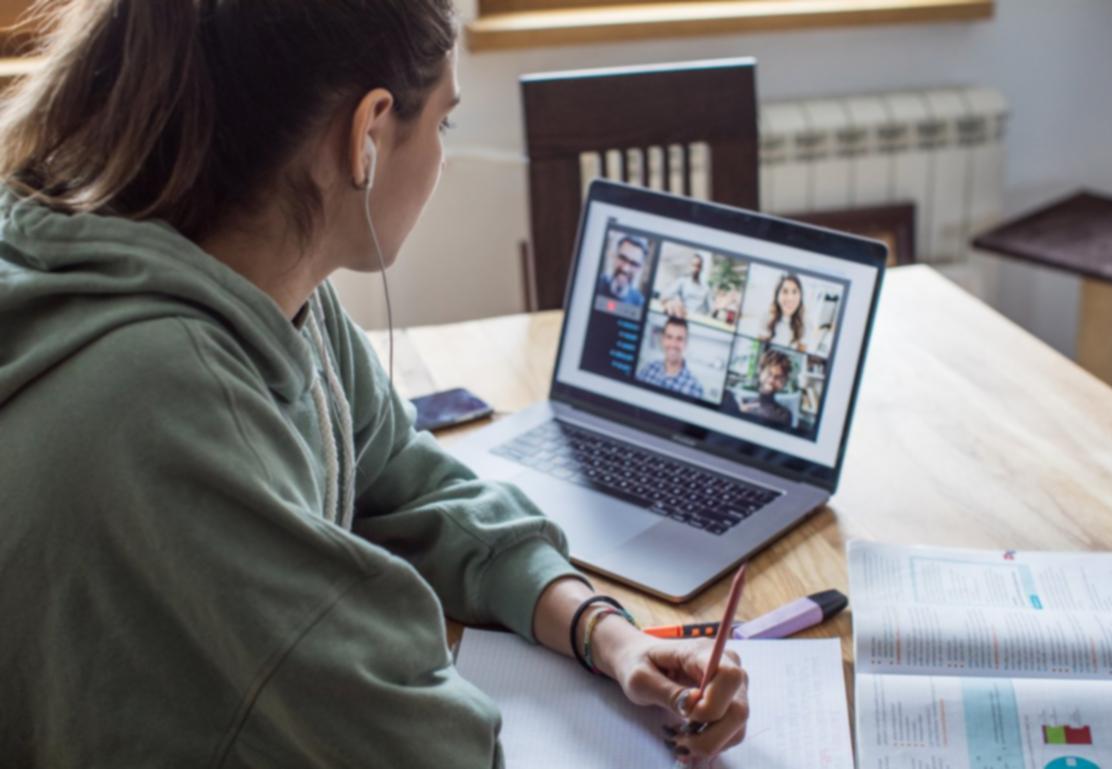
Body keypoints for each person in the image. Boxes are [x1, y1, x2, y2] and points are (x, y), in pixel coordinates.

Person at [0, 2, 749, 767]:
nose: (442, 156)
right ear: (367, 134)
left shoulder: (259, 281)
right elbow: (426, 746)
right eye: (443, 125)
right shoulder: (168, 405)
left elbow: (399, 477)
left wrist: (603, 631)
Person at [722, 349, 797, 427]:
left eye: (778, 377)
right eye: (769, 373)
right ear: (760, 372)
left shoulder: (784, 415)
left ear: (784, 381)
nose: (771, 380)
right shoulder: (742, 402)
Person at [636, 317, 705, 399]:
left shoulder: (694, 388)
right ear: (663, 340)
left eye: (679, 339)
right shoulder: (647, 370)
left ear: (685, 343)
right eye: (669, 337)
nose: (673, 344)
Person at [596, 234, 648, 306]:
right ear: (614, 257)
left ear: (640, 269)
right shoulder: (596, 283)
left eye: (633, 264)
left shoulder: (639, 303)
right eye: (622, 258)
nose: (625, 269)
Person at [763, 272, 807, 351]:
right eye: (785, 291)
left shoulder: (806, 325)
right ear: (777, 296)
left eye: (794, 292)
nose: (790, 298)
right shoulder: (766, 318)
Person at [662, 251, 711, 318]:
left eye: (698, 266)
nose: (695, 269)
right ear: (690, 266)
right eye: (693, 265)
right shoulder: (683, 281)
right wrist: (671, 302)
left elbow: (710, 309)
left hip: (698, 320)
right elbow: (665, 296)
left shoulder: (706, 288)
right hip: (683, 317)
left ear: (701, 268)